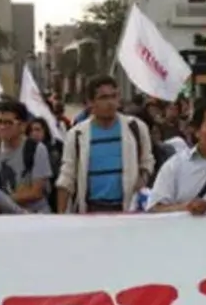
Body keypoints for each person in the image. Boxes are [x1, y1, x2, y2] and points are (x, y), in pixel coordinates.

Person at [56, 75, 155, 214]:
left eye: (113, 96)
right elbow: (67, 177)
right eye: (103, 98)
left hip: (127, 211)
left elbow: (147, 162)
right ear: (90, 102)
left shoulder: (136, 128)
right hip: (91, 212)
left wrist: (141, 181)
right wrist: (60, 217)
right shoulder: (77, 135)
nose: (110, 102)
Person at [0, 101, 54, 213]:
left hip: (35, 216)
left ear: (22, 126)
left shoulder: (36, 149)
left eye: (8, 123)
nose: (2, 127)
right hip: (8, 218)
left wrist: (2, 200)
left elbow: (36, 192)